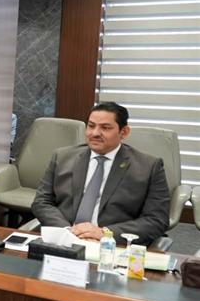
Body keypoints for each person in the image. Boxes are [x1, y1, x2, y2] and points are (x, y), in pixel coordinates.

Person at [31, 102, 169, 245]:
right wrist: (68, 231)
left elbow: (156, 219)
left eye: (105, 128)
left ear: (124, 132)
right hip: (65, 238)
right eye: (91, 126)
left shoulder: (148, 167)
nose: (95, 133)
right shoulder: (62, 157)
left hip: (110, 245)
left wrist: (105, 233)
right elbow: (42, 202)